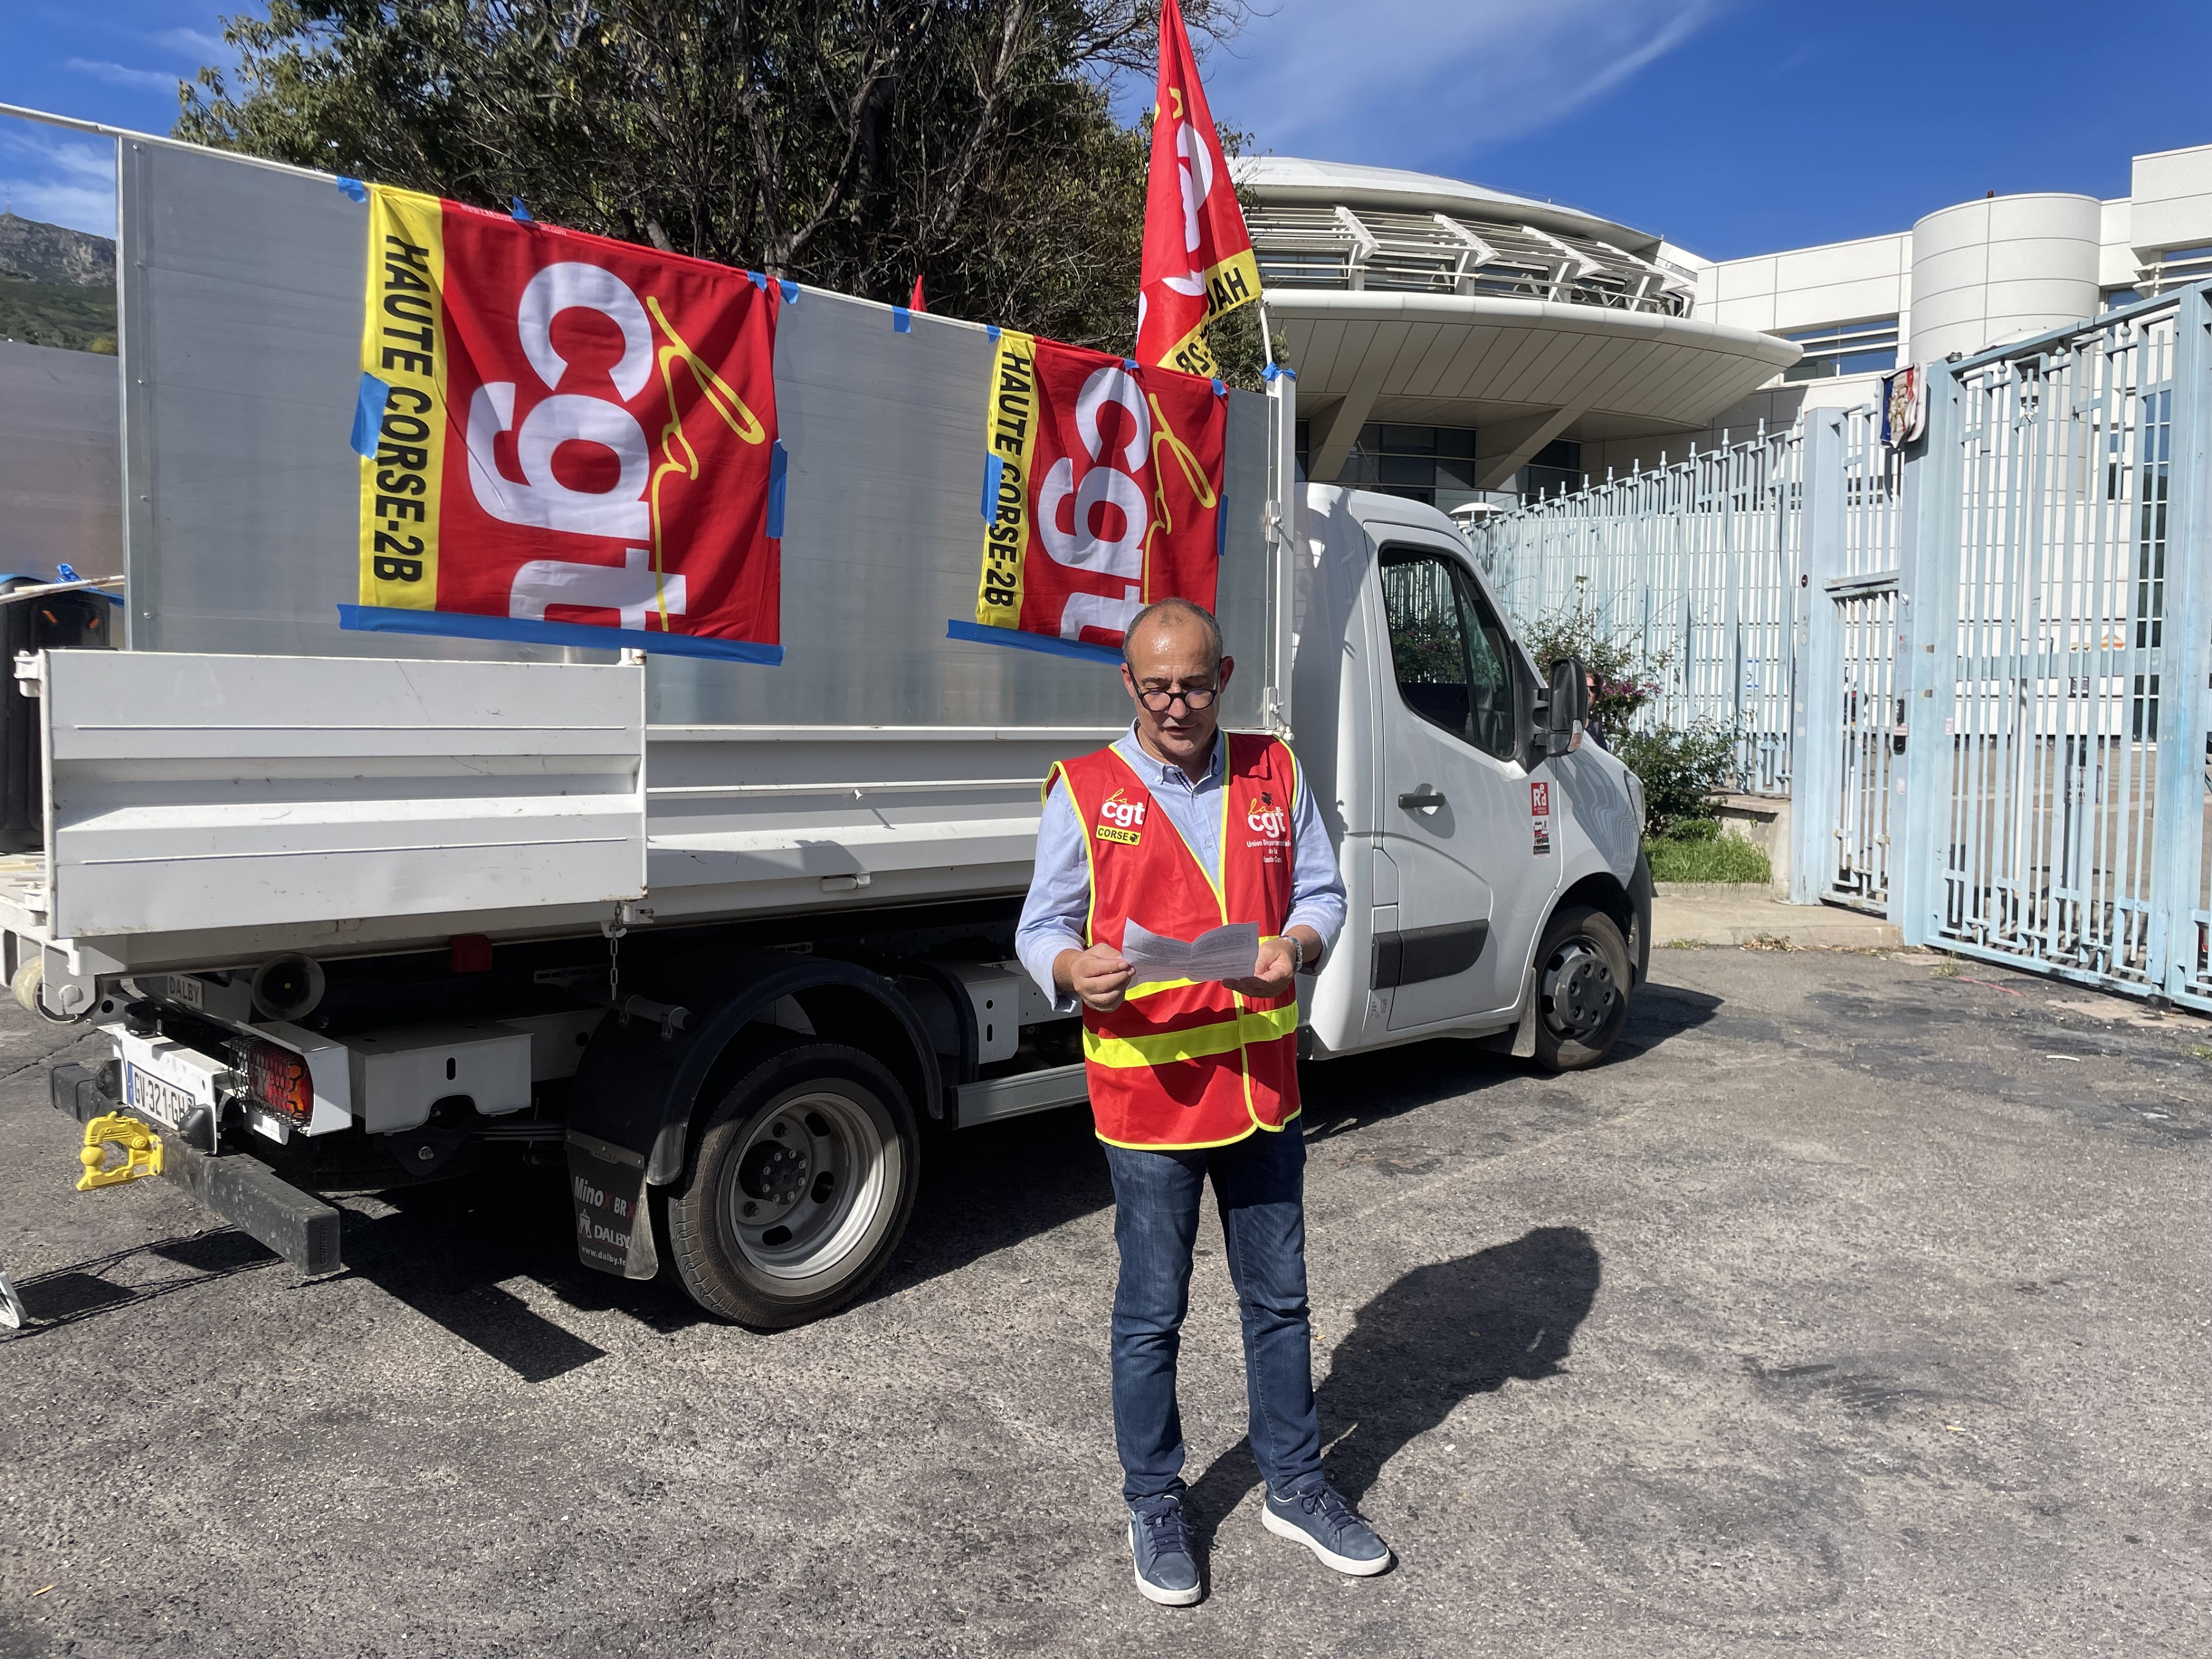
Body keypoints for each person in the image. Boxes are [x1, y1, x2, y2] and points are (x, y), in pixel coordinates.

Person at [1015, 598, 1392, 1607]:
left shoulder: (1277, 768)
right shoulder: (1088, 790)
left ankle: (1296, 1484)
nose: (1178, 703)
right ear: (1128, 684)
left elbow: (1323, 892)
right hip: (1147, 1106)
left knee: (1280, 1301)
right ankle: (1153, 1498)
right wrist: (1067, 965)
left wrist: (1299, 946)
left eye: (1195, 683)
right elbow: (1038, 923)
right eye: (1158, 686)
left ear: (1224, 677)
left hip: (1263, 1094)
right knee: (1152, 1315)